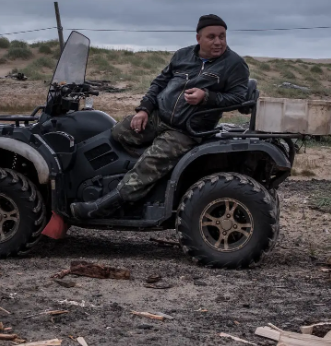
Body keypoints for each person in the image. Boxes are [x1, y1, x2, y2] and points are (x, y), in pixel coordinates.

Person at [71, 14, 250, 219]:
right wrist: (144, 109)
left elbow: (239, 98)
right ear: (199, 38)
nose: (218, 42)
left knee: (149, 164)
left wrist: (206, 96)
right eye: (212, 37)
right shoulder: (182, 56)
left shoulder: (234, 64)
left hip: (187, 129)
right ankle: (157, 170)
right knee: (119, 132)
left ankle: (106, 204)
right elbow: (159, 83)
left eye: (222, 36)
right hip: (159, 117)